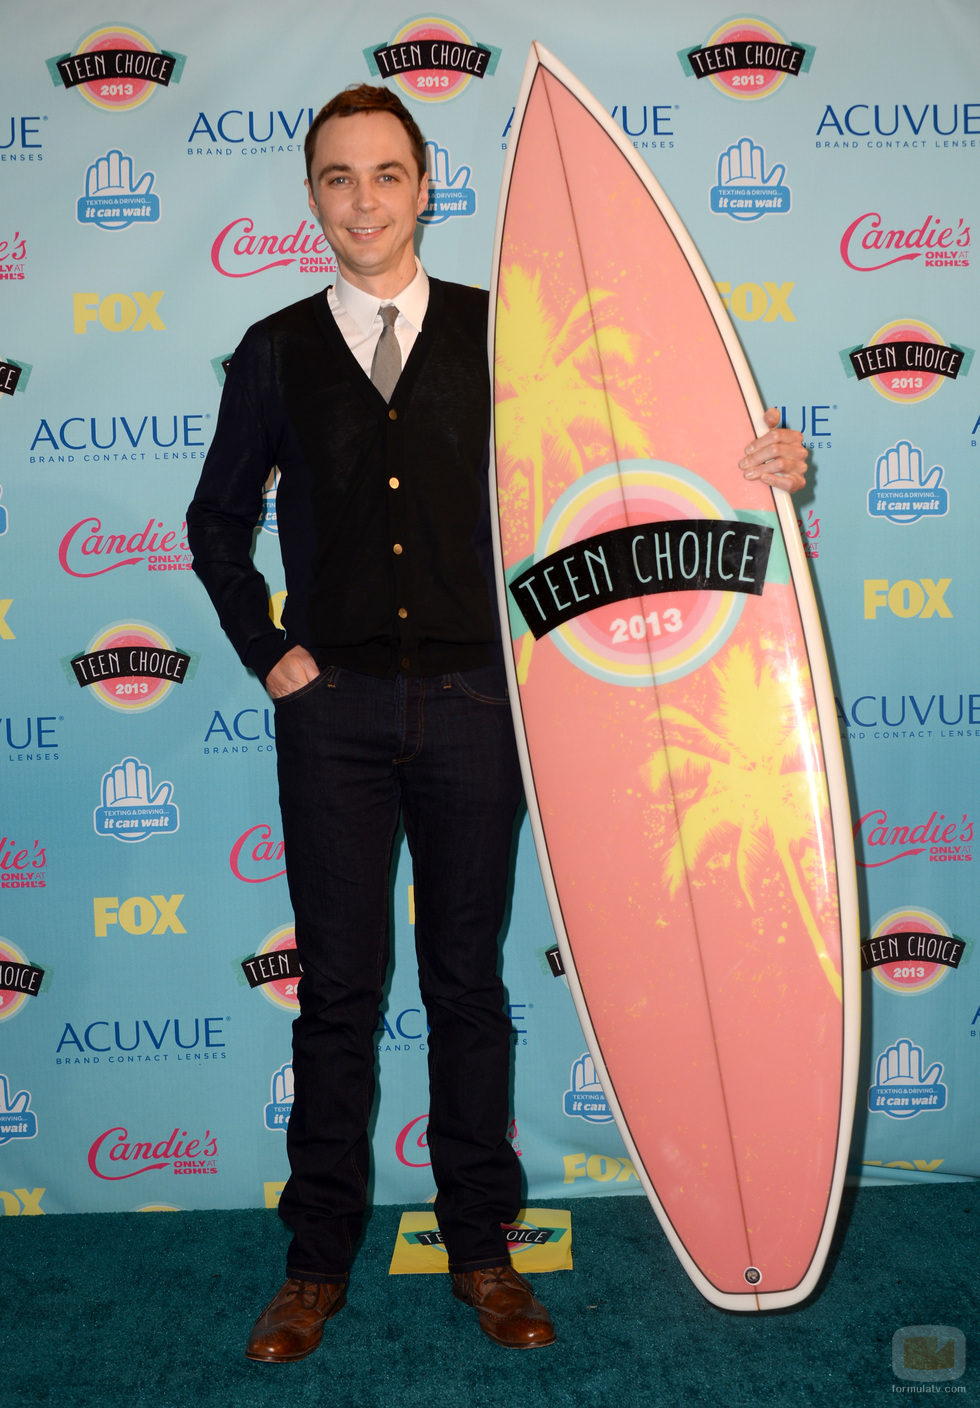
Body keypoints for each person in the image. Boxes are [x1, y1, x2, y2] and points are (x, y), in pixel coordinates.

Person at [187, 82, 808, 1363]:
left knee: (467, 986)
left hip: (484, 707)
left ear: (427, 189)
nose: (363, 200)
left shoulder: (511, 330)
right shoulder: (272, 348)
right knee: (340, 997)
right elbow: (214, 525)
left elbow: (630, 449)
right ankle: (314, 1267)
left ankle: (482, 1251)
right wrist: (271, 654)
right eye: (338, 178)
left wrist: (758, 463)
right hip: (335, 718)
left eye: (386, 175)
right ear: (313, 197)